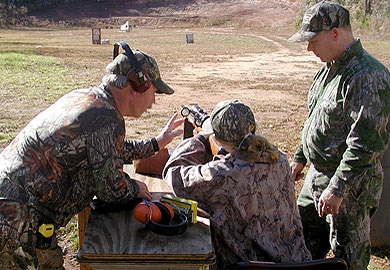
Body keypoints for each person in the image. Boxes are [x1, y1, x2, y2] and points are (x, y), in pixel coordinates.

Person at [0, 42, 184, 269]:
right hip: (18, 220)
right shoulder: (106, 118)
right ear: (138, 84)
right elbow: (112, 190)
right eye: (154, 93)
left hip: (12, 206)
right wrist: (135, 188)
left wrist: (156, 143)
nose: (153, 102)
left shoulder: (87, 98)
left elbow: (107, 150)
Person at [288, 1, 390, 270]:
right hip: (317, 177)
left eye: (313, 40)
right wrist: (300, 157)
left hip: (351, 186)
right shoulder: (328, 71)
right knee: (305, 241)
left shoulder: (368, 76)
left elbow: (367, 144)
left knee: (348, 255)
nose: (309, 48)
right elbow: (316, 119)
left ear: (336, 33)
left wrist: (338, 188)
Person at [163, 100, 312, 269]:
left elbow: (174, 174)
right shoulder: (280, 159)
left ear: (217, 138)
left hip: (248, 266)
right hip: (297, 263)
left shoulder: (222, 174)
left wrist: (199, 139)